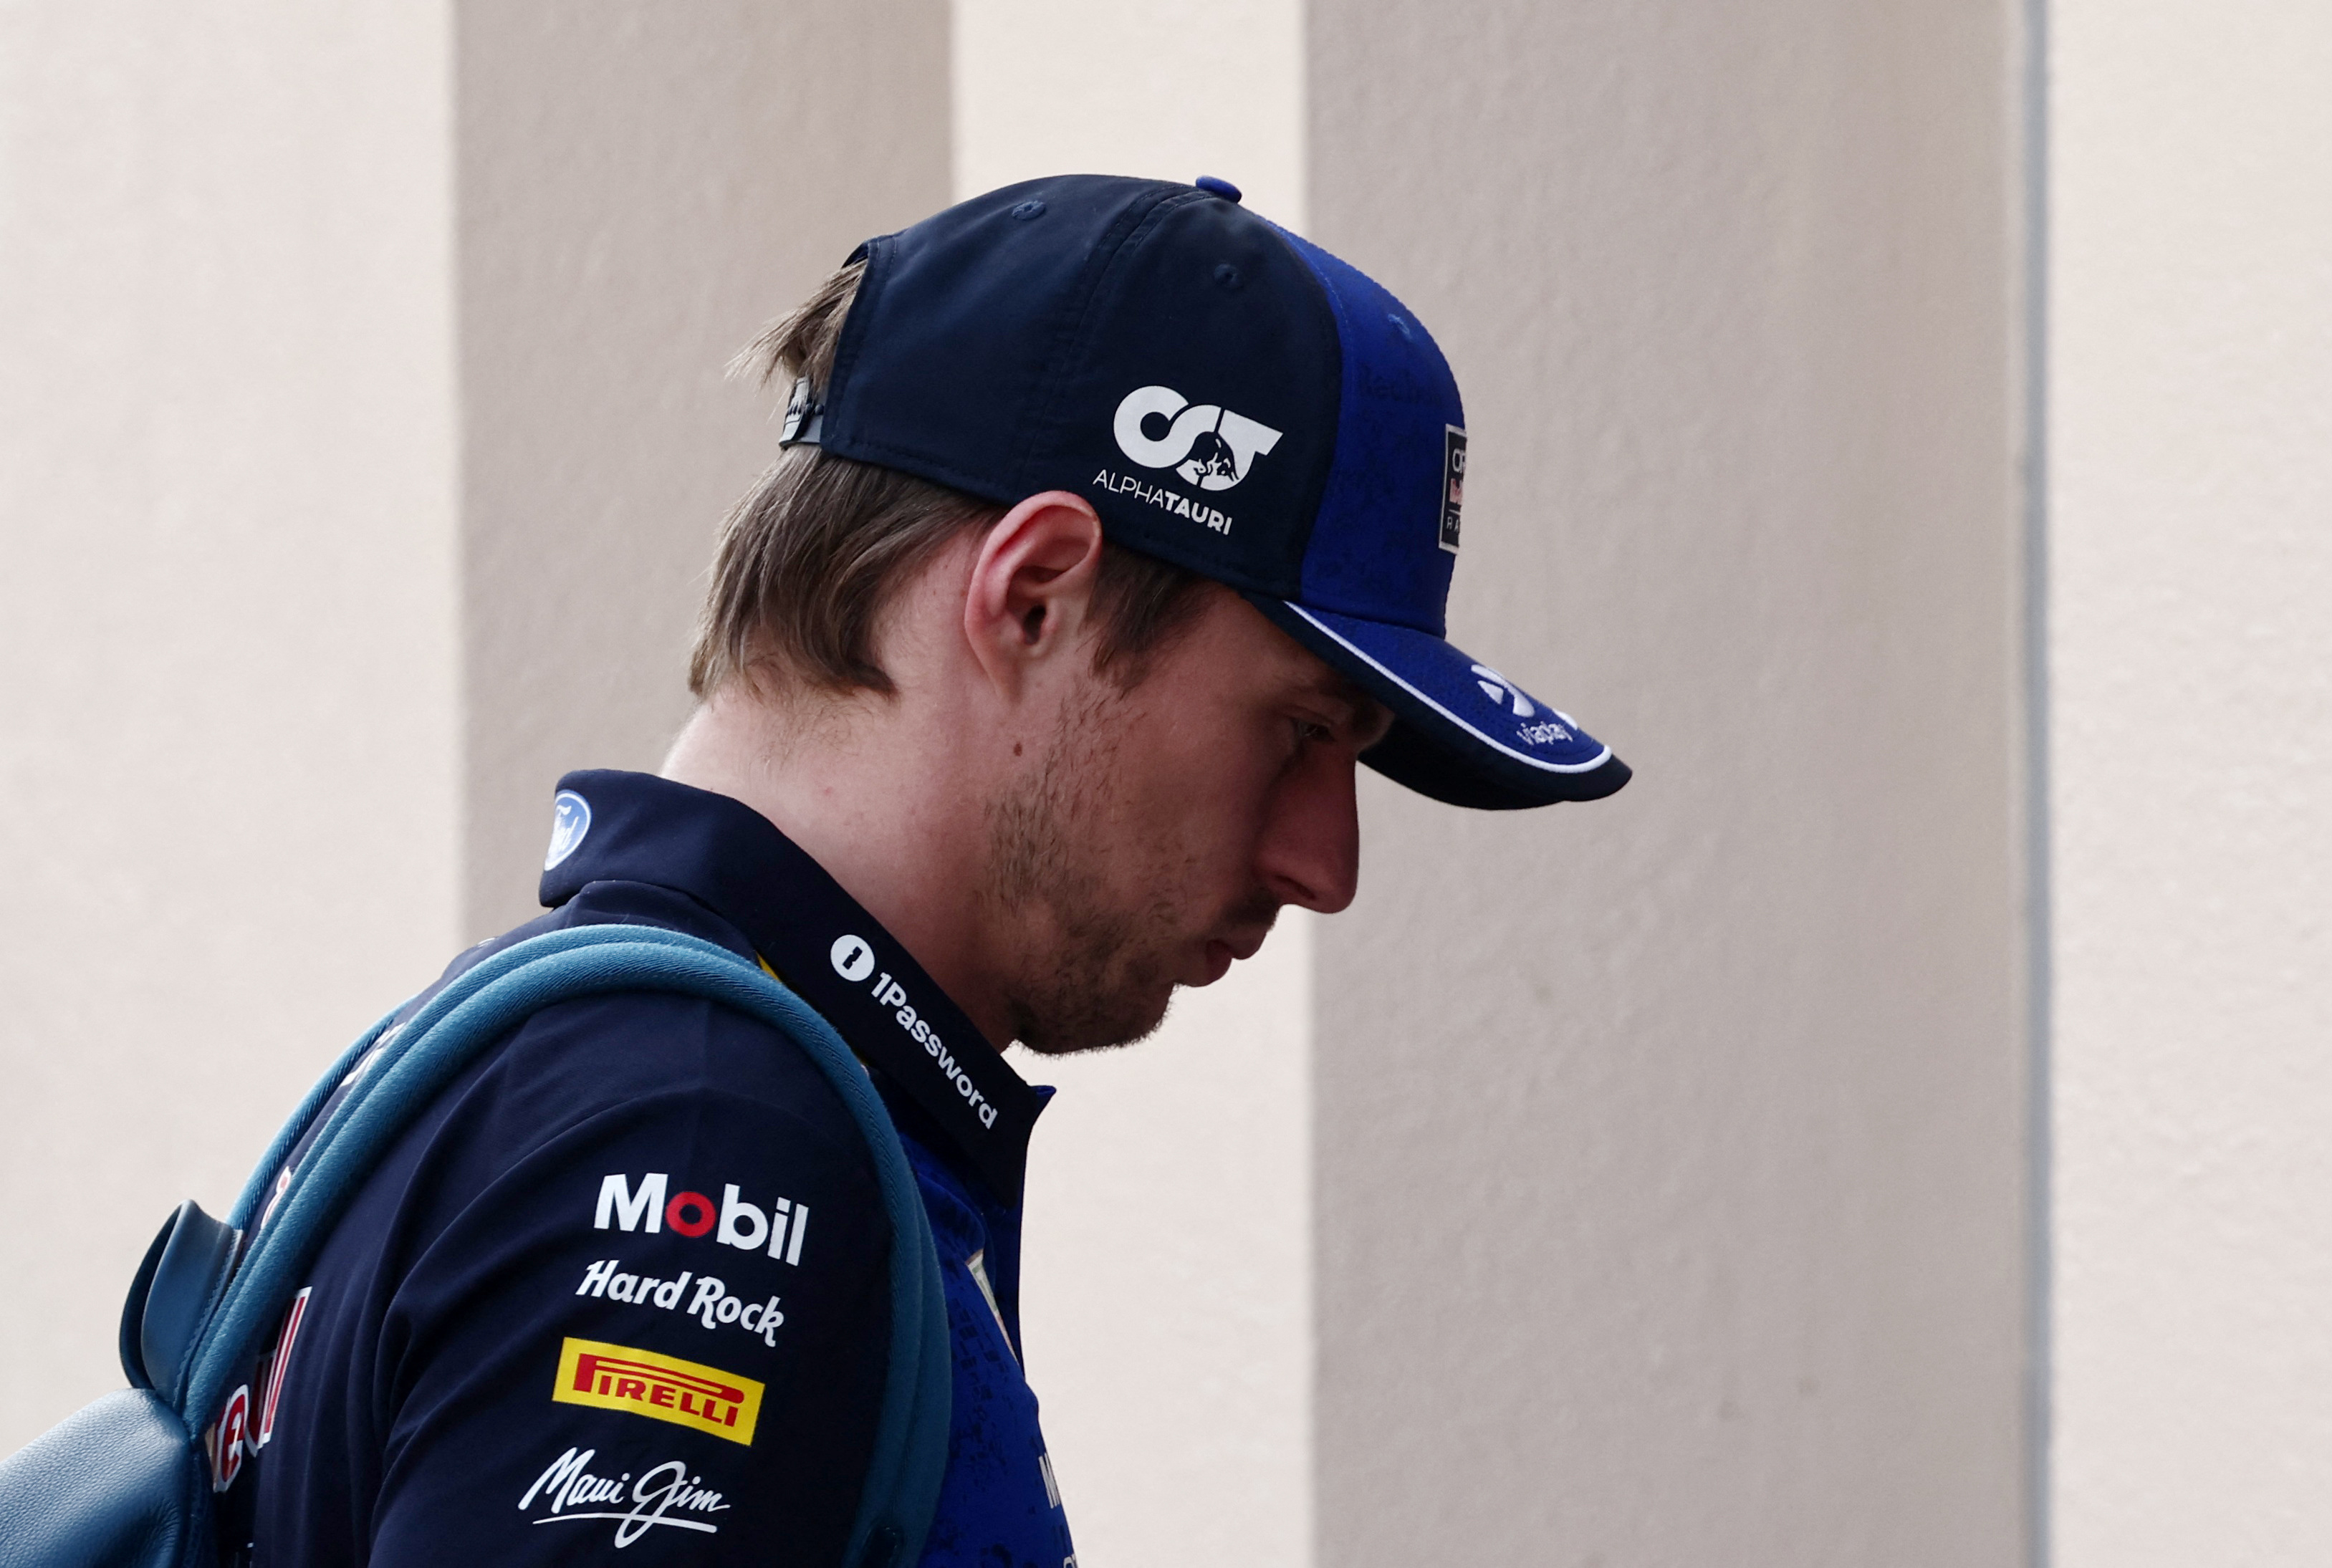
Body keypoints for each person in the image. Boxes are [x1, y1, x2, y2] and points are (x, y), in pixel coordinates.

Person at [216, 173, 1628, 1567]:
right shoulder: (706, 1134)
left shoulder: (560, 1050)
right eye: (1300, 733)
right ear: (1031, 597)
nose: (1326, 862)